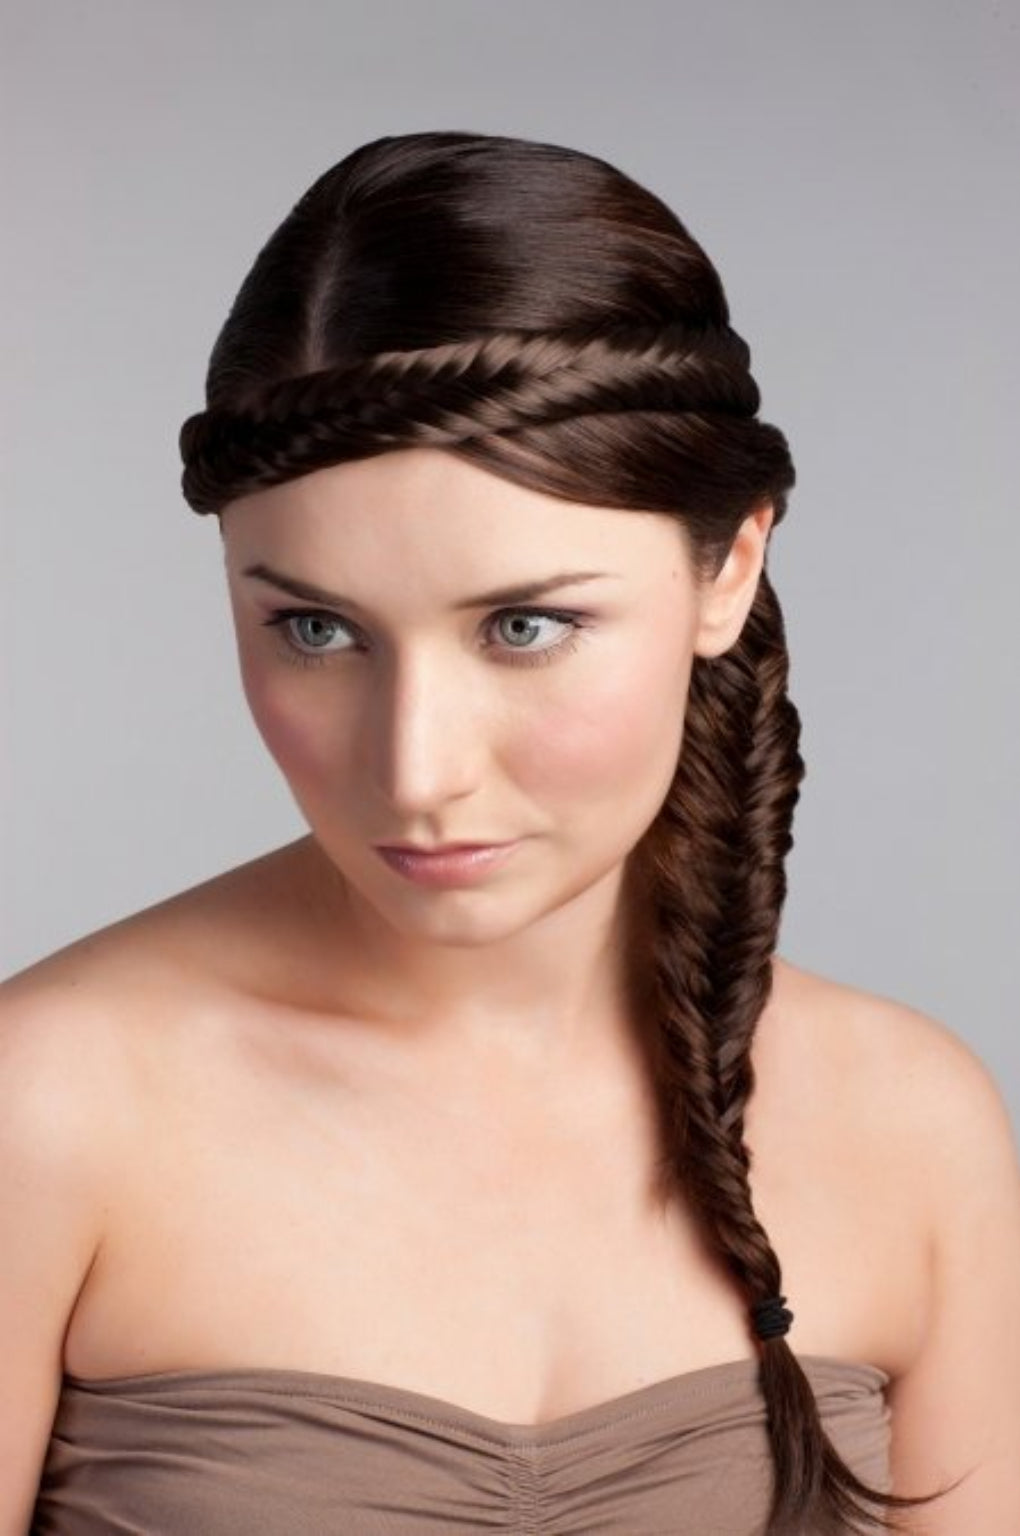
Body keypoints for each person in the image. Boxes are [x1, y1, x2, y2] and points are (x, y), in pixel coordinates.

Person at [3, 130, 1018, 1536]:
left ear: (727, 564)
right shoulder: (45, 1109)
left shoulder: (914, 1129)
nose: (415, 770)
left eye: (525, 627)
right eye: (315, 628)